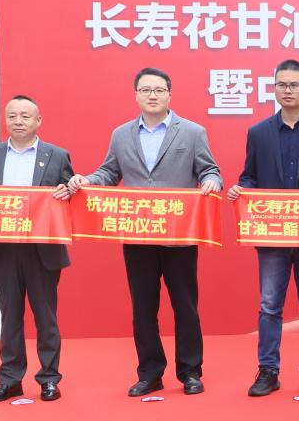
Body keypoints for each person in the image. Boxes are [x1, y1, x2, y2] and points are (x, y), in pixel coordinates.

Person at [67, 68, 222, 397]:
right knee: (143, 308)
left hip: (179, 235)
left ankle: (190, 372)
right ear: (136, 95)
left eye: (159, 90)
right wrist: (88, 180)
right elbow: (109, 172)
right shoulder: (121, 134)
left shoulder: (192, 132)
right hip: (138, 234)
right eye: (146, 90)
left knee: (185, 306)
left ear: (169, 95)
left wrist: (211, 181)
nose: (152, 95)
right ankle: (150, 372)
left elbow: (210, 169)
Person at [227, 59, 299, 397]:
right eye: (282, 85)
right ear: (274, 89)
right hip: (272, 234)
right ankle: (268, 371)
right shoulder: (259, 132)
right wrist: (242, 190)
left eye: (294, 85)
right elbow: (250, 175)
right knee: (269, 305)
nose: (288, 90)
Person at [0, 96, 75, 403]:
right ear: (5, 119)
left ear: (38, 121)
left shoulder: (57, 155)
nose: (18, 121)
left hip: (42, 248)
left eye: (25, 116)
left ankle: (49, 378)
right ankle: (10, 380)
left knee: (46, 317)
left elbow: (71, 197)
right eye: (12, 116)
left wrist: (69, 190)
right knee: (10, 316)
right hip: (3, 248)